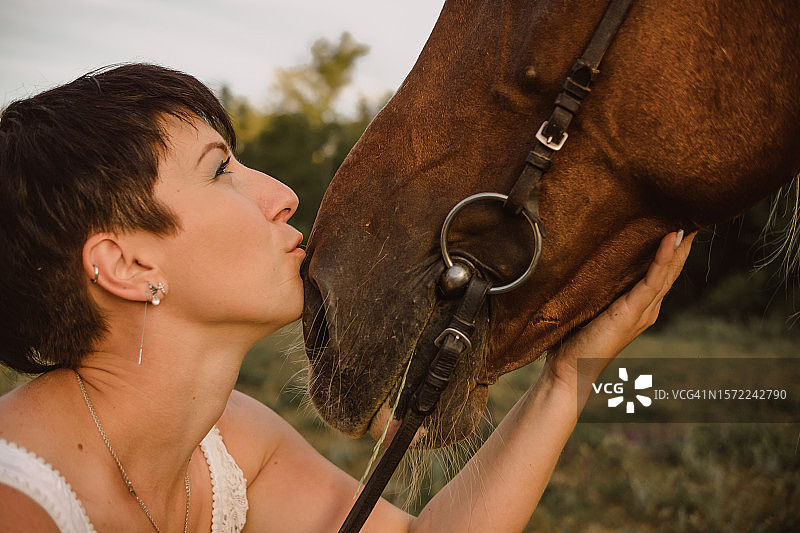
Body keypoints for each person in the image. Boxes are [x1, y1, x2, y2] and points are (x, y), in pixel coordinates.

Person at [0, 63, 695, 533]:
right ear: (124, 263)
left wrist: (568, 377)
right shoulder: (18, 503)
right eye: (220, 171)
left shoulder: (229, 443)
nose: (282, 194)